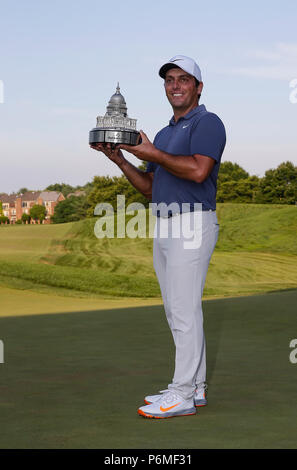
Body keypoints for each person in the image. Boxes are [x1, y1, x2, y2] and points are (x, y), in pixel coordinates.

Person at [90, 55, 226, 419]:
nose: (176, 85)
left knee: (184, 311)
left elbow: (198, 172)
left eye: (184, 79)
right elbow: (151, 187)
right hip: (164, 223)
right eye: (169, 80)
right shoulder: (165, 134)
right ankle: (193, 388)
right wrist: (121, 161)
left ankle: (182, 393)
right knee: (177, 310)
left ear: (198, 87)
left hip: (193, 223)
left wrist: (151, 152)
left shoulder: (208, 122)